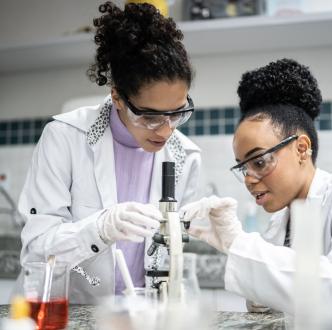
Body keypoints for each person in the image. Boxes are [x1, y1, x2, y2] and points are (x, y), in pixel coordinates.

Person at [181, 59, 332, 329]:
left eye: (259, 162)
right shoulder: (281, 222)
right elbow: (290, 293)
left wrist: (239, 244)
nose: (248, 179)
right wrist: (261, 295)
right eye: (243, 167)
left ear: (302, 148)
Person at [16, 1, 201, 304]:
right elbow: (37, 251)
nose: (167, 130)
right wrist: (99, 229)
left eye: (177, 113)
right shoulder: (64, 138)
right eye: (151, 116)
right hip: (67, 314)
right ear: (117, 95)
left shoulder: (187, 156)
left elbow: (172, 258)